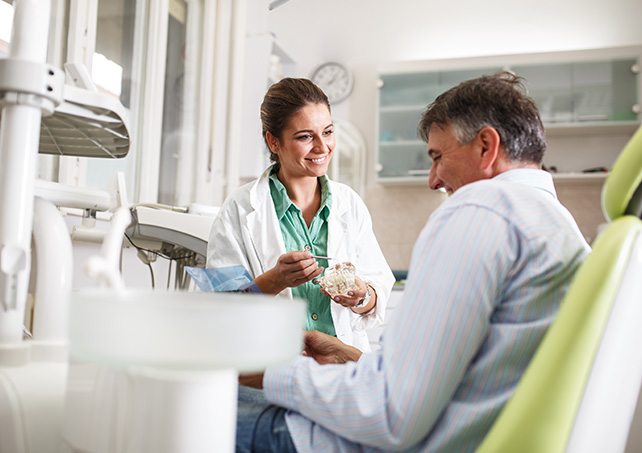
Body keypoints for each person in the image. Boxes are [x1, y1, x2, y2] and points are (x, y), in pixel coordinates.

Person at [234, 72, 591, 452]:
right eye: (306, 136)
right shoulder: (556, 223)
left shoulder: (480, 210)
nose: (433, 180)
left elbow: (388, 413)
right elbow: (452, 376)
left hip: (362, 436)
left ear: (486, 146)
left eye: (438, 156)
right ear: (274, 142)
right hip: (412, 413)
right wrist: (350, 355)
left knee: (192, 413)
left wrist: (274, 372)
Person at [207, 78, 395, 352]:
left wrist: (361, 294)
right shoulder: (239, 208)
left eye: (328, 132)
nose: (322, 147)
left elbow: (378, 290)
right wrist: (275, 280)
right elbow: (219, 309)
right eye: (305, 136)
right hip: (270, 371)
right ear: (273, 141)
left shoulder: (349, 204)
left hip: (340, 372)